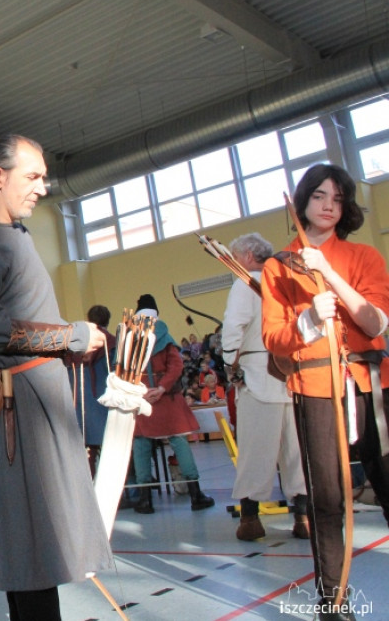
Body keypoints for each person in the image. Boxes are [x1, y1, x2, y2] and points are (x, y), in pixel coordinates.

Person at [0, 134, 112, 621]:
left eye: (44, 177)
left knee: (43, 548)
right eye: (32, 176)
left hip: (41, 401)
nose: (43, 187)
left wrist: (68, 346)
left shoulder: (19, 234)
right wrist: (70, 337)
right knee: (28, 550)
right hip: (16, 411)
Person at [261, 163, 389, 619]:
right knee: (327, 500)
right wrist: (310, 319)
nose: (329, 205)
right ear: (303, 202)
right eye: (319, 196)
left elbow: (375, 324)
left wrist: (329, 273)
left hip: (370, 385)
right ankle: (333, 603)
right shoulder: (277, 266)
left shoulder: (364, 257)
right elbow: (274, 340)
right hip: (315, 387)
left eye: (337, 198)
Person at [221, 232, 308, 542]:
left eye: (236, 257)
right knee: (296, 449)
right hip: (293, 375)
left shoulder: (245, 283)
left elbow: (234, 326)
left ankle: (250, 519)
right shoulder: (287, 280)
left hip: (258, 374)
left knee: (255, 450)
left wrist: (229, 364)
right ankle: (304, 517)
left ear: (247, 256)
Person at [130, 294, 215, 514]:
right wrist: (161, 387)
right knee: (179, 442)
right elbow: (176, 366)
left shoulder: (130, 339)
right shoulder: (164, 337)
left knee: (141, 445)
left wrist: (141, 390)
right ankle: (195, 495)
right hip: (166, 398)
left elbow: (123, 370)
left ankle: (145, 499)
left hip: (142, 399)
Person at [72, 304, 114, 478]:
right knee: (113, 449)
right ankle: (122, 487)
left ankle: (89, 485)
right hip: (108, 400)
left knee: (88, 449)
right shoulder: (112, 342)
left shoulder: (77, 341)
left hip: (83, 401)